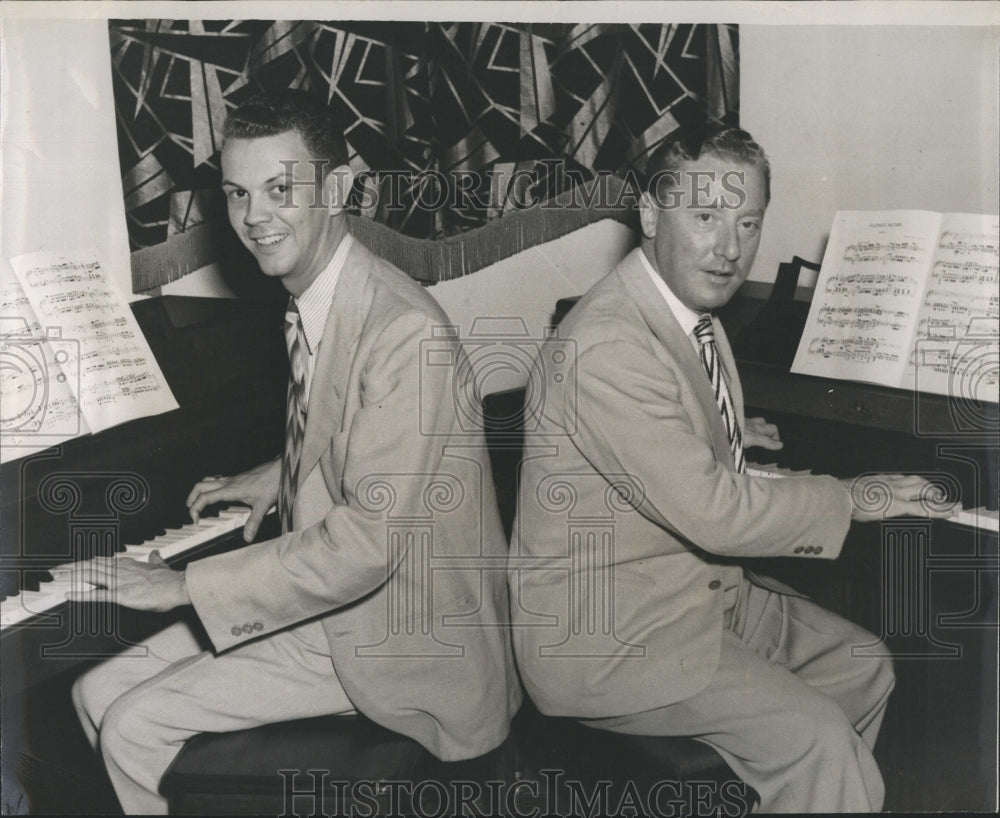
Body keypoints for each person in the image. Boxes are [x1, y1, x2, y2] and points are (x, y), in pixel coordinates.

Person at [59, 92, 521, 814]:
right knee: (93, 690)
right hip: (339, 609)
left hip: (399, 640)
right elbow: (373, 441)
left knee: (131, 726)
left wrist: (181, 585)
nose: (254, 219)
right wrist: (282, 473)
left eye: (281, 190)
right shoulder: (322, 296)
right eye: (238, 194)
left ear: (336, 189)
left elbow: (365, 547)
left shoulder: (405, 334)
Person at [508, 124, 957, 813]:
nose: (729, 247)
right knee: (817, 740)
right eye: (706, 217)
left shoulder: (693, 315)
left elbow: (663, 443)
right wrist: (854, 495)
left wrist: (728, 436)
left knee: (863, 666)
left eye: (748, 222)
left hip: (699, 599)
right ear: (652, 215)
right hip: (613, 637)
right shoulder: (608, 343)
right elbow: (714, 511)